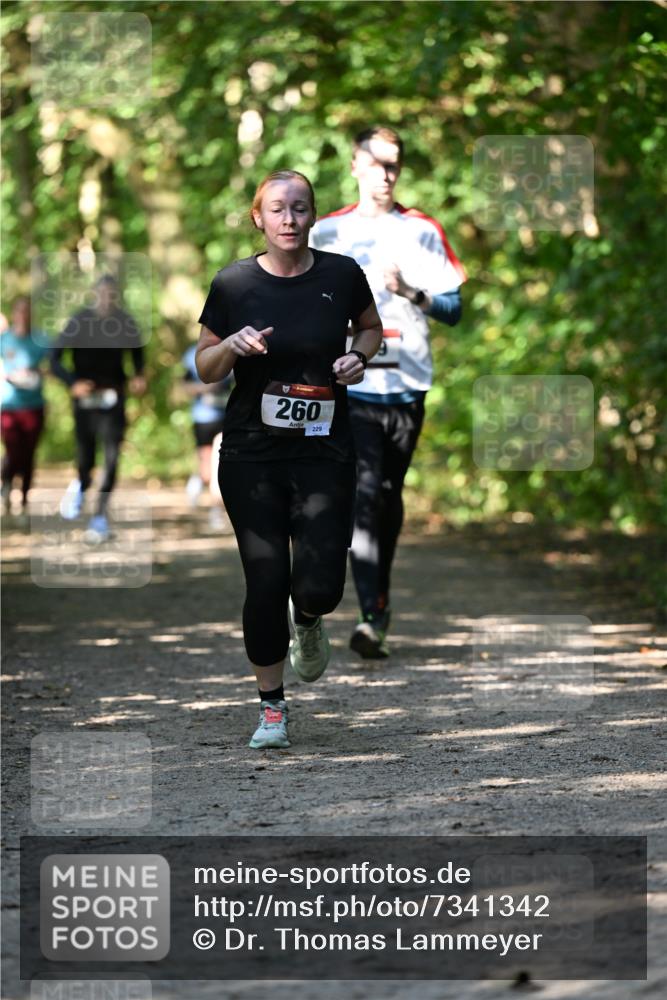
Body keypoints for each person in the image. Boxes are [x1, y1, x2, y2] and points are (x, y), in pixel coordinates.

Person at [196, 169, 382, 749]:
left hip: (325, 451)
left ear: (313, 216)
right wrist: (231, 345)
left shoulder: (341, 275)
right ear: (259, 218)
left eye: (299, 209)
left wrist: (359, 358)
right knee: (266, 578)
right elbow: (204, 366)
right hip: (252, 454)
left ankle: (310, 620)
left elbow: (371, 330)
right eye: (277, 209)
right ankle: (271, 710)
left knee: (320, 586)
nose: (288, 219)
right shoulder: (233, 285)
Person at [310, 126, 467, 659]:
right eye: (376, 162)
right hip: (350, 386)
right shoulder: (325, 232)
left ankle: (378, 602)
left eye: (394, 164)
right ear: (354, 164)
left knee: (388, 496)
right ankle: (370, 618)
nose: (386, 173)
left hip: (408, 384)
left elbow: (454, 310)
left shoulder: (423, 229)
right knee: (365, 493)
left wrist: (409, 292)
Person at [50, 274, 146, 541]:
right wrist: (73, 383)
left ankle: (99, 516)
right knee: (86, 460)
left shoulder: (125, 321)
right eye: (103, 294)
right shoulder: (79, 320)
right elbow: (54, 358)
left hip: (114, 398)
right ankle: (80, 484)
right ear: (95, 295)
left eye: (112, 295)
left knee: (113, 457)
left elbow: (137, 352)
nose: (107, 300)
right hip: (85, 400)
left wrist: (139, 375)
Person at [1, 296, 49, 523]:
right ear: (13, 313)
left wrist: (36, 374)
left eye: (27, 311)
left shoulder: (40, 341)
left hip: (33, 405)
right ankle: (7, 485)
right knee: (13, 451)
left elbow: (52, 366)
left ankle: (25, 500)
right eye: (19, 311)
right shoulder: (4, 340)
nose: (23, 315)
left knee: (29, 454)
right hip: (9, 405)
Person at [181, 342, 232, 529]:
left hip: (227, 417)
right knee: (207, 468)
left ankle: (216, 511)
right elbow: (184, 385)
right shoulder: (192, 353)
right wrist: (206, 389)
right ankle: (197, 481)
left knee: (218, 464)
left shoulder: (236, 344)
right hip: (202, 418)